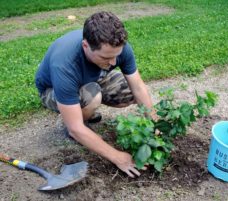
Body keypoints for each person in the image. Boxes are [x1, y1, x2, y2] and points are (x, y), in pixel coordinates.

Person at [35, 11, 156, 178]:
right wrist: (118, 157)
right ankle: (83, 118)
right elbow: (75, 128)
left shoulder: (117, 47)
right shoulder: (65, 64)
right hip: (52, 90)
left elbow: (138, 88)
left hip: (92, 79)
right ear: (86, 46)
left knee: (128, 92)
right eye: (106, 57)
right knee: (92, 96)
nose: (114, 62)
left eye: (117, 56)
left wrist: (154, 126)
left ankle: (87, 110)